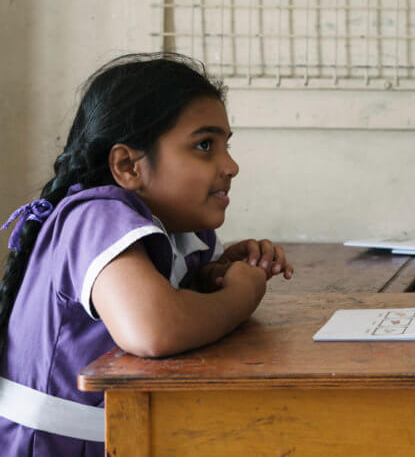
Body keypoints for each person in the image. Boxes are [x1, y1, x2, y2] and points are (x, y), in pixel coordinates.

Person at [0, 53, 295, 455]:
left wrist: (212, 277)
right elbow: (155, 330)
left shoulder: (177, 230)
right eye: (205, 145)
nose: (231, 165)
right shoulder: (97, 216)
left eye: (226, 145)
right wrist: (240, 295)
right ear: (127, 165)